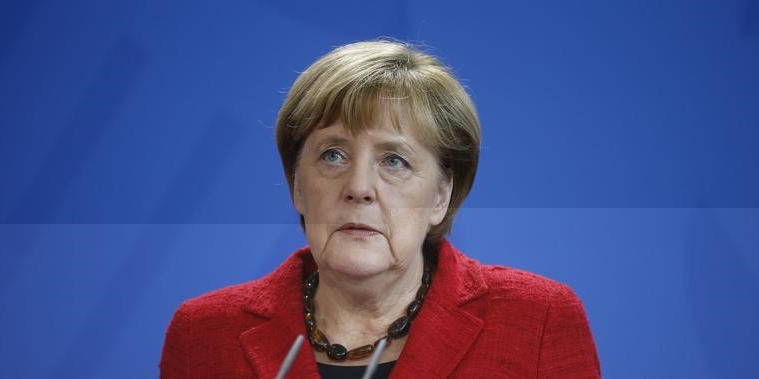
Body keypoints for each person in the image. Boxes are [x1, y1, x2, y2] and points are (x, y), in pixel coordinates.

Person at [159, 40, 601, 378]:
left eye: (394, 160)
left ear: (441, 195)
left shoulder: (537, 321)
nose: (358, 187)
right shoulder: (203, 335)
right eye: (333, 155)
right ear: (297, 183)